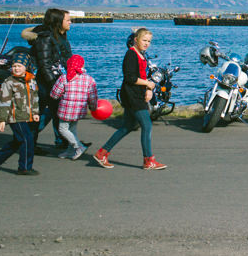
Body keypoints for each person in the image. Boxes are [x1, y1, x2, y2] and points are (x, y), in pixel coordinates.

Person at [93, 28, 167, 170]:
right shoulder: (131, 55)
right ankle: (148, 161)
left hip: (138, 93)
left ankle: (102, 153)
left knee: (127, 127)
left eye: (149, 41)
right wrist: (147, 84)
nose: (146, 43)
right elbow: (130, 78)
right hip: (132, 95)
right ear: (136, 39)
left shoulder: (141, 54)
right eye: (144, 40)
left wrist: (148, 89)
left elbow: (142, 75)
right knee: (147, 125)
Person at [21, 8, 73, 152]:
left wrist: (74, 74)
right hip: (45, 82)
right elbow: (44, 64)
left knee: (57, 111)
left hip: (57, 80)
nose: (70, 22)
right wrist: (53, 84)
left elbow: (67, 57)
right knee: (42, 112)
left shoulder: (62, 35)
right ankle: (28, 141)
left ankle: (62, 141)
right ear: (58, 21)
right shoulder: (45, 37)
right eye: (67, 20)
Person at [0, 53, 41, 176]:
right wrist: (2, 120)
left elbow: (35, 97)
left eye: (19, 66)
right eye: (14, 66)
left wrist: (36, 112)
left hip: (27, 116)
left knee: (18, 141)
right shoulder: (9, 82)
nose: (16, 68)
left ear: (25, 67)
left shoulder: (31, 80)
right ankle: (25, 167)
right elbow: (5, 102)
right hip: (14, 116)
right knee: (27, 140)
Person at [49, 54, 98, 160]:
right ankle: (70, 150)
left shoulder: (64, 78)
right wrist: (93, 107)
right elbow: (92, 96)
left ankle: (78, 146)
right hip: (79, 110)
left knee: (62, 129)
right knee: (72, 129)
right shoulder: (89, 79)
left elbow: (54, 94)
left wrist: (60, 95)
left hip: (66, 110)